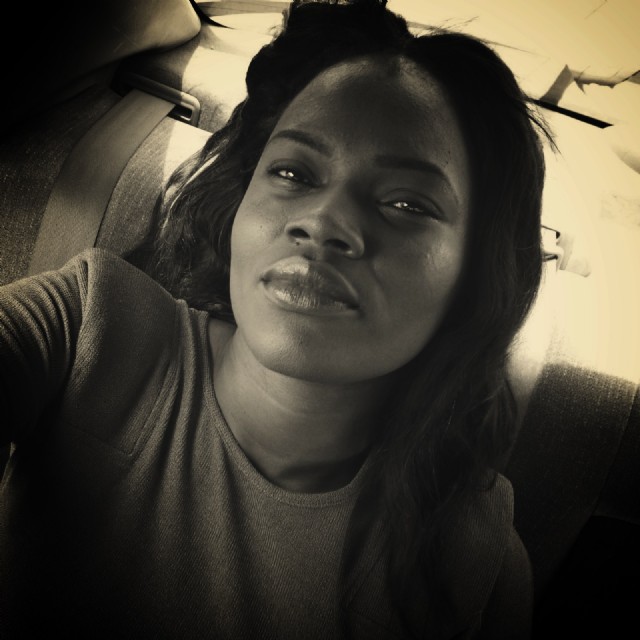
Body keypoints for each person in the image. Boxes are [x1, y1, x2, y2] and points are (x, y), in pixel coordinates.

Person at [0, 0, 549, 637]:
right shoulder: (85, 325)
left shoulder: (473, 562)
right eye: (292, 172)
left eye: (406, 203)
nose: (324, 221)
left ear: (475, 273)